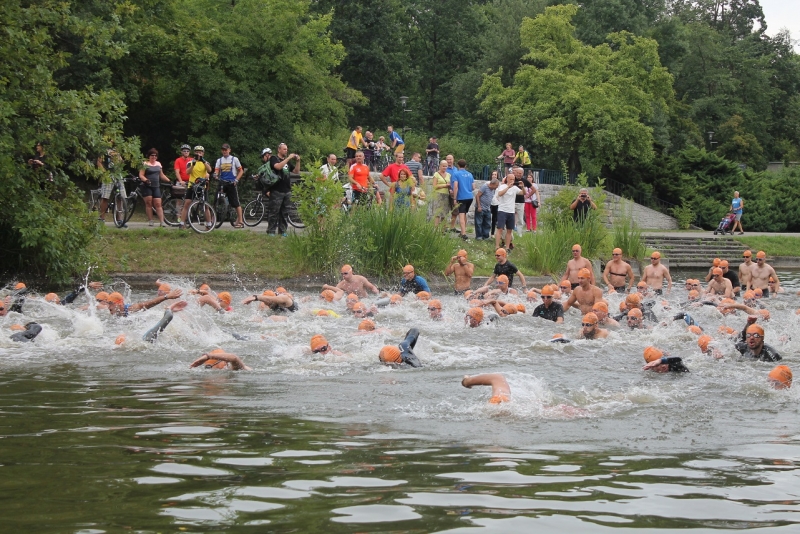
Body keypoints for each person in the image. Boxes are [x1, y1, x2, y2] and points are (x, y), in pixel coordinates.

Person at [267, 143, 301, 236]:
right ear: (279, 150)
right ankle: (271, 231)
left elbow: (296, 171)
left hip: (287, 190)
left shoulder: (287, 162)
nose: (286, 151)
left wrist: (298, 161)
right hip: (276, 190)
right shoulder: (274, 158)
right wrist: (289, 158)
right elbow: (277, 167)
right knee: (274, 212)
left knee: (285, 212)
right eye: (284, 149)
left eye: (287, 149)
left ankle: (283, 231)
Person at [179, 145, 213, 229]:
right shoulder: (190, 162)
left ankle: (209, 224)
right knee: (187, 204)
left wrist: (203, 161)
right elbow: (187, 172)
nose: (198, 154)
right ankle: (182, 223)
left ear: (203, 154)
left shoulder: (205, 162)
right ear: (194, 153)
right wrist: (193, 164)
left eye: (200, 152)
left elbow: (209, 170)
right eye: (197, 152)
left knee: (206, 205)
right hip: (192, 185)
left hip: (202, 186)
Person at [139, 148, 172, 227]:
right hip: (147, 186)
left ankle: (162, 222)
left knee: (158, 203)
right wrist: (146, 180)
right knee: (149, 203)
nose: (154, 157)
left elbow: (161, 175)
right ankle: (151, 220)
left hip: (156, 186)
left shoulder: (158, 164)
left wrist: (169, 181)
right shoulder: (145, 164)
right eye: (152, 155)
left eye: (155, 155)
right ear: (149, 156)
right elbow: (141, 175)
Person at [214, 143, 244, 227]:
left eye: (226, 150)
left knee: (236, 202)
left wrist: (236, 180)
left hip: (231, 183)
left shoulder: (234, 159)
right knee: (215, 200)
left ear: (229, 150)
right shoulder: (219, 160)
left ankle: (240, 221)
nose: (224, 151)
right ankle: (213, 220)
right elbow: (216, 171)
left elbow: (241, 171)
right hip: (222, 182)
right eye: (223, 150)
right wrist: (215, 175)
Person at [106, 288, 183, 317]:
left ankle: (171, 309)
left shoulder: (131, 309)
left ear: (119, 303)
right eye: (108, 304)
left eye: (111, 303)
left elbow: (150, 303)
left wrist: (166, 297)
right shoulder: (116, 314)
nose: (109, 307)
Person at [96, 145, 123, 224]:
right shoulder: (104, 150)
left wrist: (119, 160)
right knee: (105, 197)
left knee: (120, 197)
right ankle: (102, 218)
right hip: (108, 175)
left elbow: (121, 162)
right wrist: (105, 173)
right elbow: (99, 162)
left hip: (118, 175)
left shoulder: (117, 149)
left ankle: (119, 219)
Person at [494, 173, 519, 250]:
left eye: (513, 179)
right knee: (500, 229)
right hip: (502, 210)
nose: (512, 181)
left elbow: (523, 193)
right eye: (511, 179)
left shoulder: (515, 188)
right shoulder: (502, 186)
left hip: (511, 211)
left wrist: (523, 187)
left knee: (509, 230)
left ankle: (507, 247)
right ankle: (497, 246)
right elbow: (500, 194)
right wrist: (508, 187)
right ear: (507, 179)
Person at [451, 159, 474, 240]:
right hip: (470, 197)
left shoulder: (456, 174)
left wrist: (455, 198)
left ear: (458, 165)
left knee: (461, 214)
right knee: (465, 214)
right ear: (465, 166)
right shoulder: (470, 174)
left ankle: (463, 234)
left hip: (461, 197)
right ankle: (463, 231)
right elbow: (473, 187)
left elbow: (456, 186)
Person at [432, 160, 453, 226]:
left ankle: (443, 229)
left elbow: (450, 185)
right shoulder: (436, 174)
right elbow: (434, 186)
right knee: (438, 212)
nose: (444, 167)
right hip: (438, 194)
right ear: (440, 166)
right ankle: (436, 228)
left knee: (445, 212)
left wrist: (450, 189)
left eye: (446, 166)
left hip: (446, 195)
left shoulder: (449, 175)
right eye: (443, 166)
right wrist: (444, 185)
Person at [512, 167, 531, 237]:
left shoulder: (524, 181)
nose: (519, 174)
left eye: (520, 173)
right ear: (515, 173)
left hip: (521, 202)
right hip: (512, 201)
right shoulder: (512, 179)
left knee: (520, 219)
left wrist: (528, 196)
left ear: (522, 174)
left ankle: (520, 234)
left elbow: (534, 189)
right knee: (511, 218)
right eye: (517, 173)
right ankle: (510, 234)